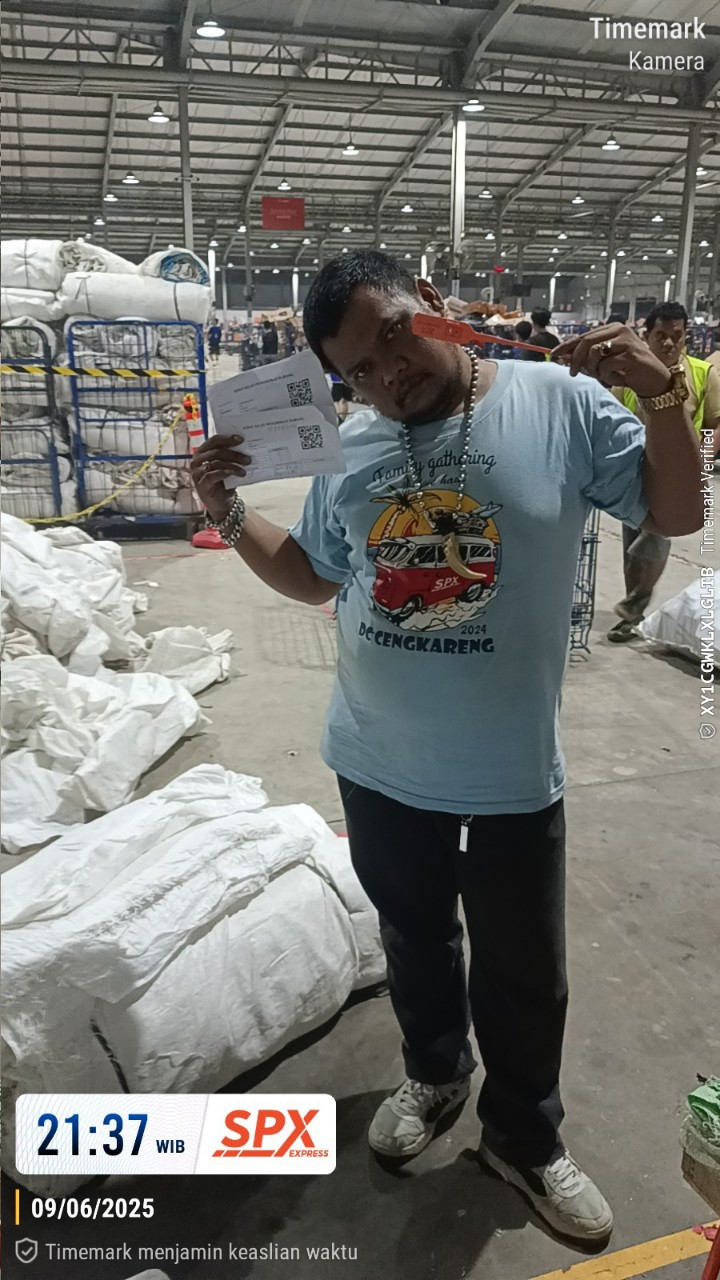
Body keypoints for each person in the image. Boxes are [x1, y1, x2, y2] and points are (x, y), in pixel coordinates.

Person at [190, 251, 701, 1246]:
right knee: (413, 938)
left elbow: (677, 512)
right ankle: (434, 1073)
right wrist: (226, 511)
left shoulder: (556, 401)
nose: (389, 372)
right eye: (360, 368)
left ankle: (524, 1136)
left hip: (507, 773)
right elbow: (315, 575)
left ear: (429, 302)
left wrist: (665, 399)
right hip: (376, 761)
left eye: (394, 334)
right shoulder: (356, 444)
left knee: (523, 970)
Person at [608, 300, 720, 641]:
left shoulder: (702, 374)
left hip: (678, 475)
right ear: (646, 336)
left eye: (677, 335)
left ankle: (635, 603)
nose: (669, 342)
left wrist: (702, 458)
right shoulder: (629, 375)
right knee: (632, 541)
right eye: (661, 336)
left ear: (685, 336)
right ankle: (633, 611)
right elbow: (613, 416)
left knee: (655, 537)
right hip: (636, 471)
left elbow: (716, 422)